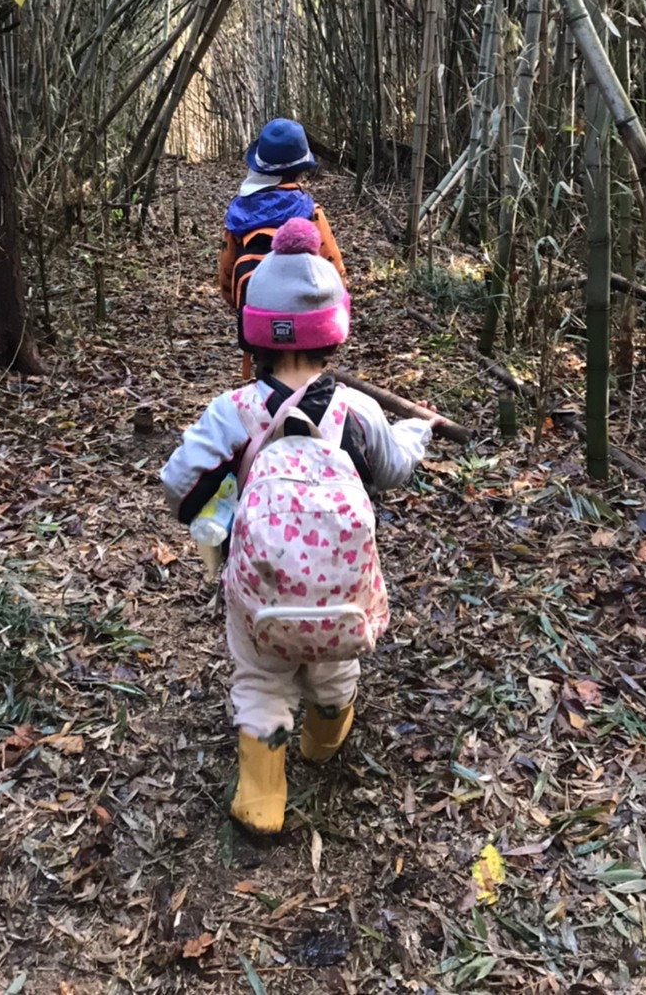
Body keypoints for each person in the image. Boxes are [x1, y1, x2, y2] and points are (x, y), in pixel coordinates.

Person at [162, 217, 434, 835]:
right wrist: (416, 431)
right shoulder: (358, 410)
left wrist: (212, 516)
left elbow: (178, 481)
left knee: (261, 679)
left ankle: (261, 798)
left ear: (253, 332)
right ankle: (323, 737)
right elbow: (393, 470)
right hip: (342, 593)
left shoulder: (232, 412)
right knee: (336, 670)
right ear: (333, 332)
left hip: (260, 591)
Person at [218, 120, 347, 363]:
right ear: (300, 170)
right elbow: (333, 265)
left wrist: (242, 305)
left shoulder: (239, 216)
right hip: (307, 323)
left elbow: (226, 273)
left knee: (265, 369)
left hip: (258, 323)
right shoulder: (310, 211)